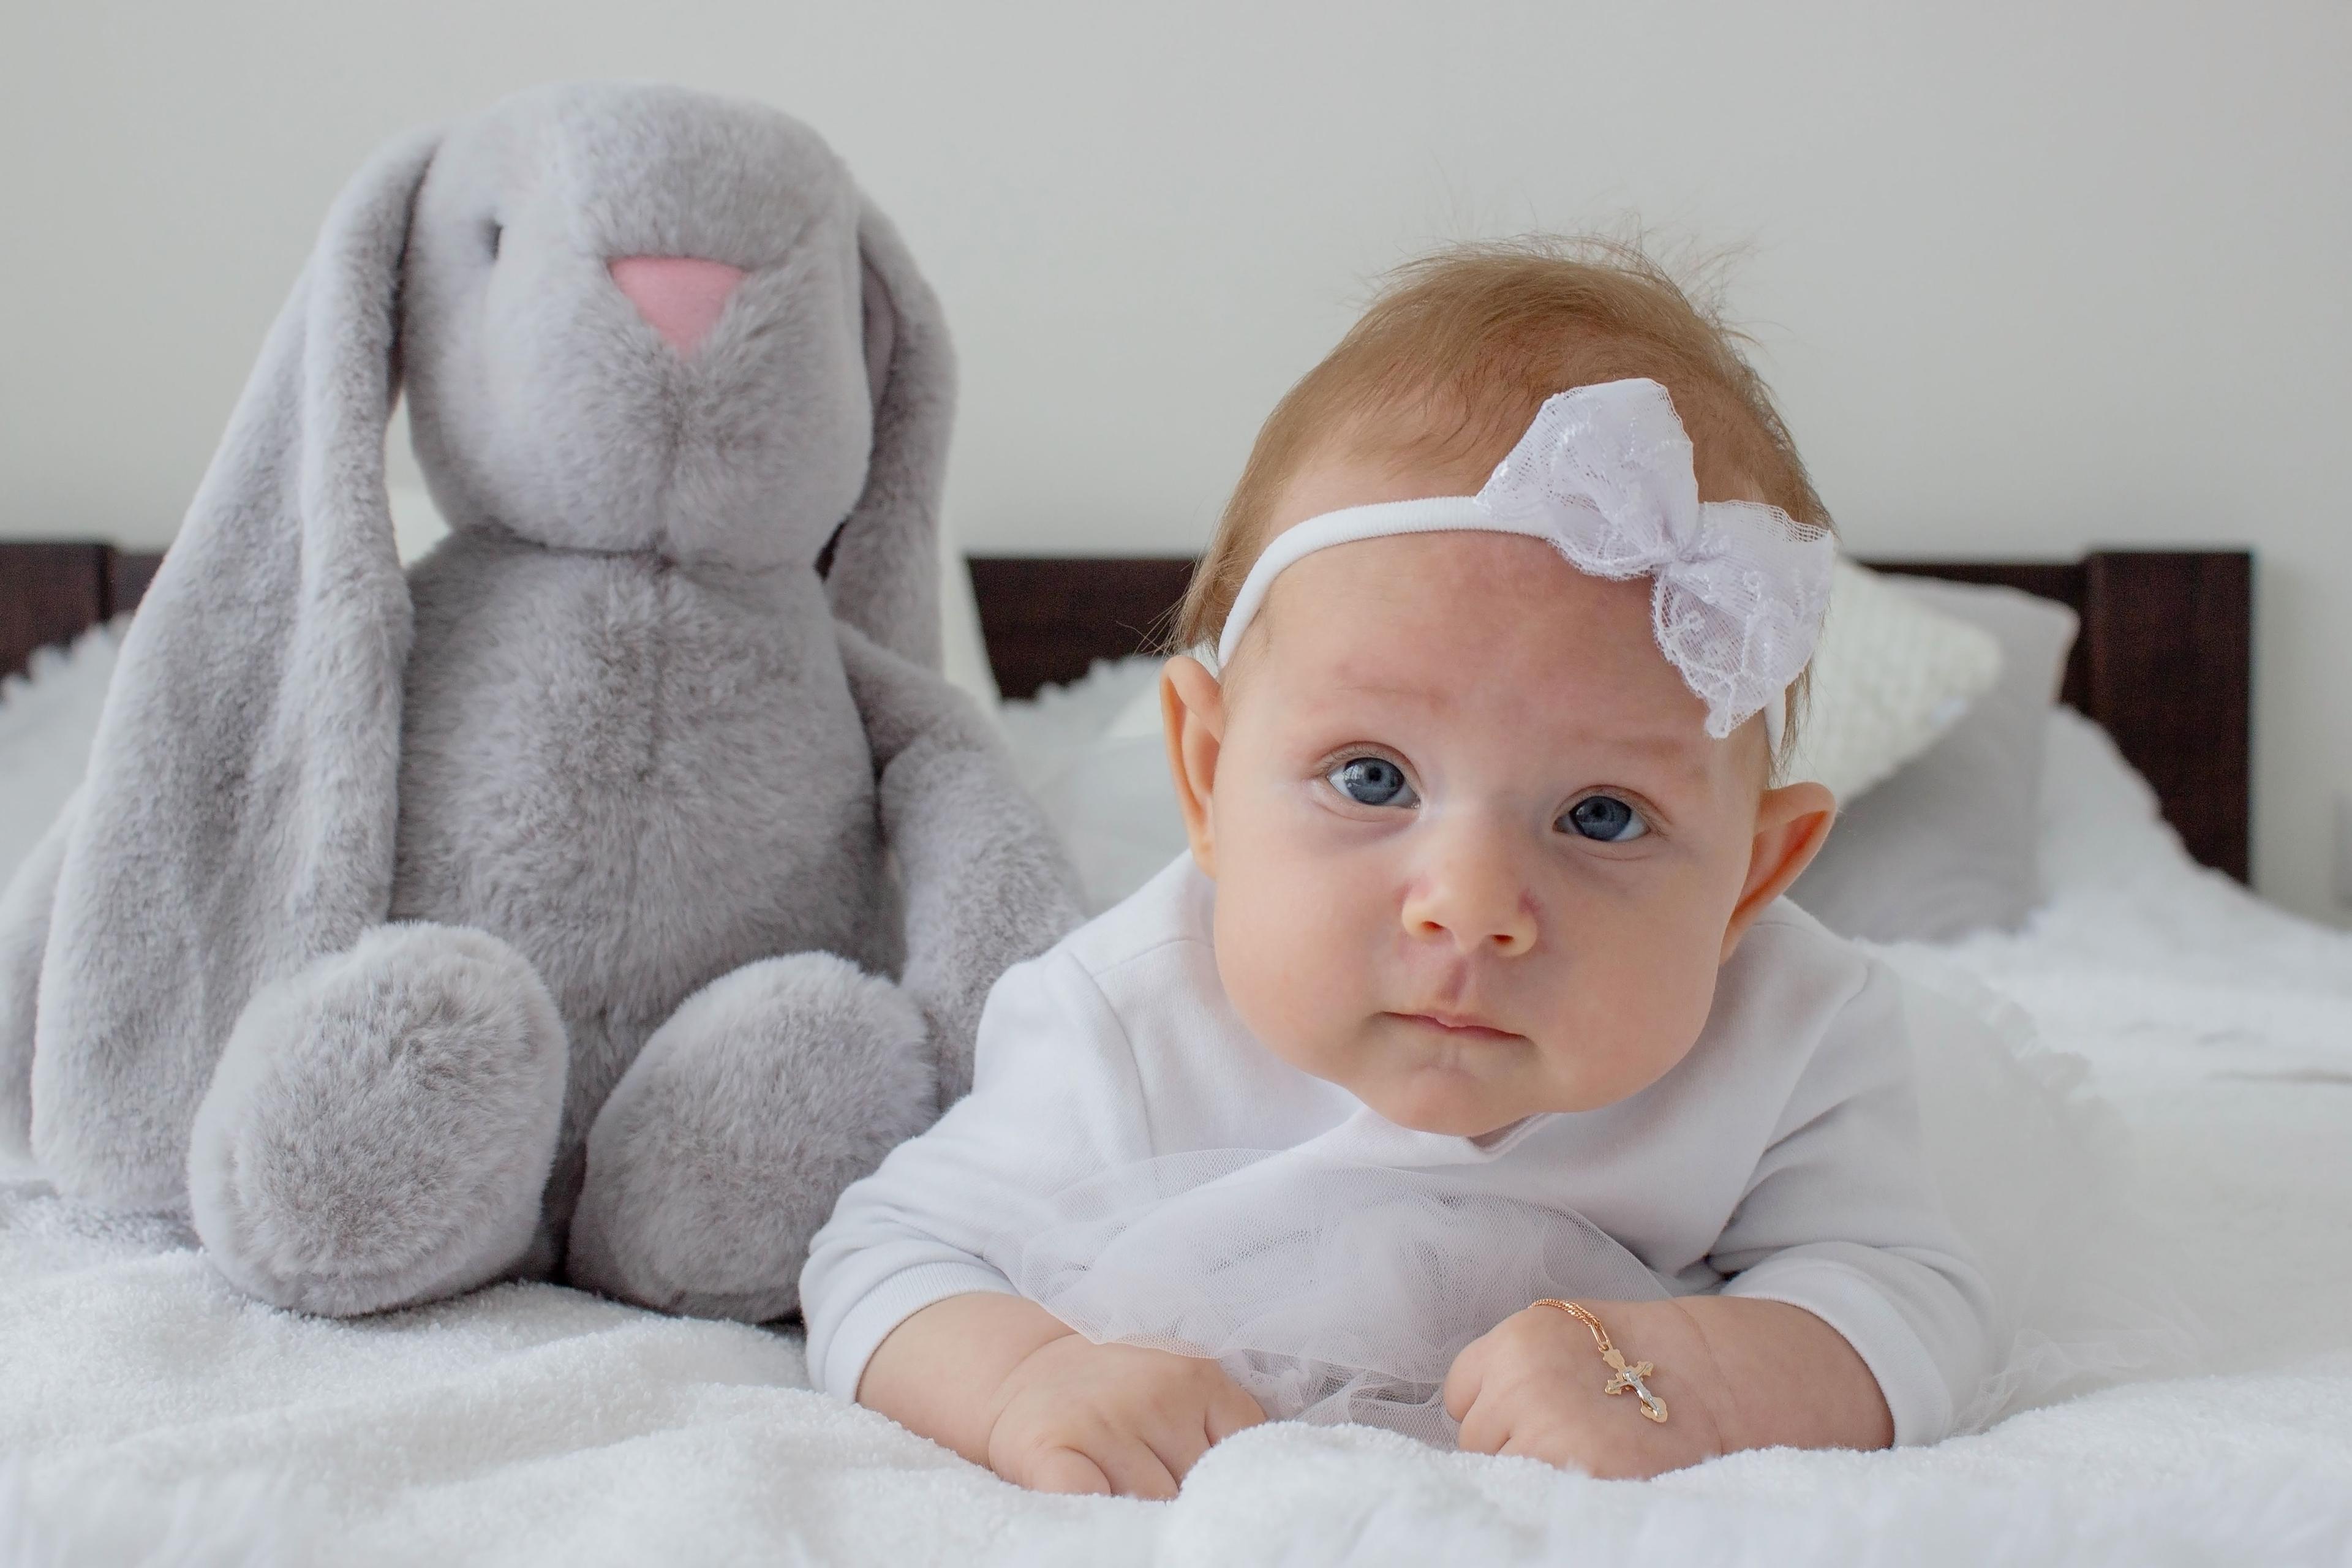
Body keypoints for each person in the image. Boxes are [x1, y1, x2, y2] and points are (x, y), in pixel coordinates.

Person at [801, 241, 1995, 1498]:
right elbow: (887, 1250)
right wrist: (1025, 1376)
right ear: (1207, 778)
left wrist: (1700, 1367)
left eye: (1600, 814)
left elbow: (1910, 1293)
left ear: (1755, 879)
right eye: (1372, 777)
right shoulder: (1125, 1018)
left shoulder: (1795, 1033)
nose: (1470, 905)